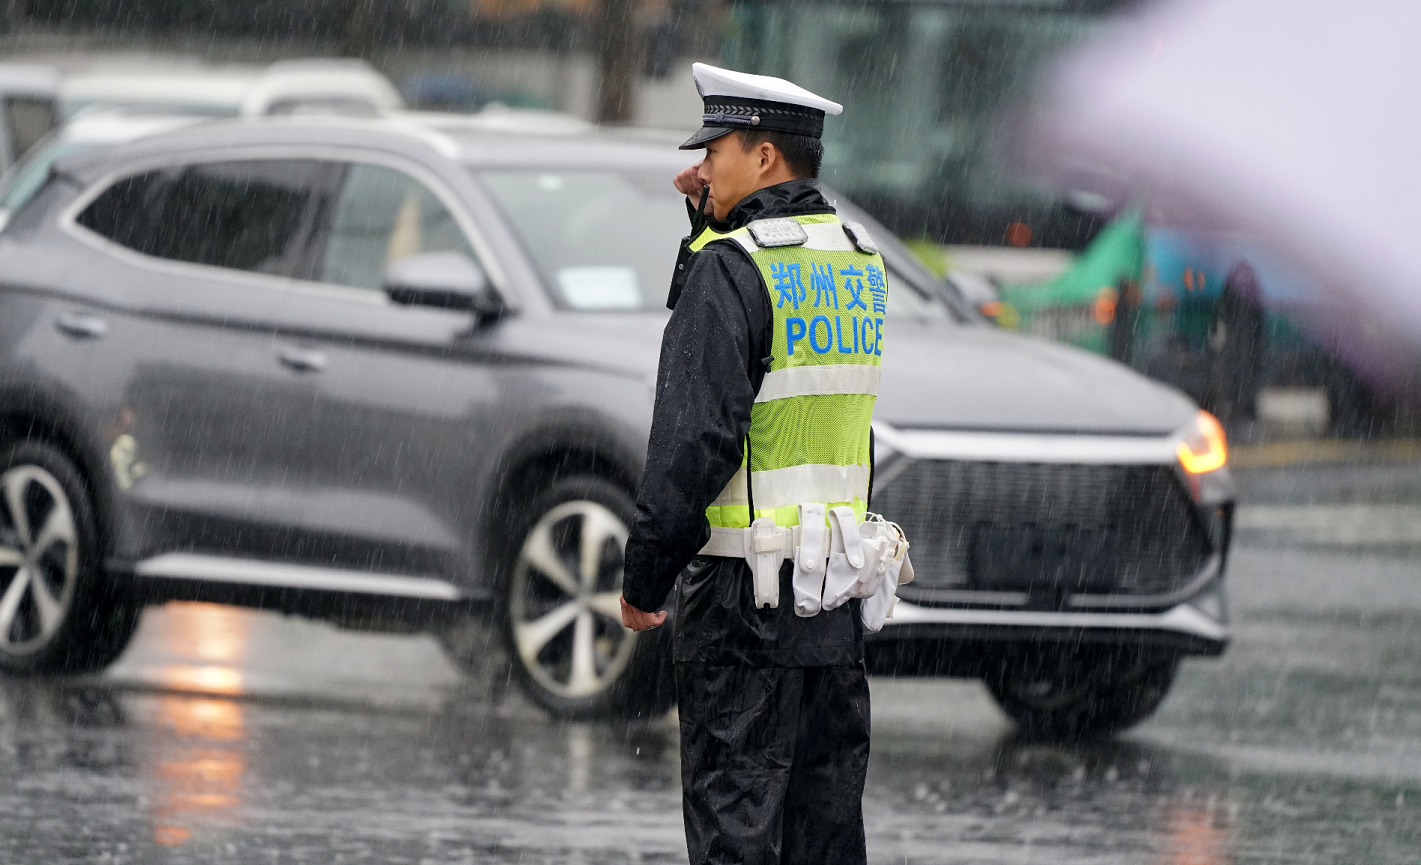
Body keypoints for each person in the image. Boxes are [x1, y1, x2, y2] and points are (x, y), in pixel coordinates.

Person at [620, 62, 889, 865]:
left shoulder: (733, 268)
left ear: (764, 157)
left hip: (740, 605)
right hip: (831, 596)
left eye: (715, 150)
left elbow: (696, 438)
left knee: (734, 824)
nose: (701, 167)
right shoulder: (854, 256)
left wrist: (644, 574)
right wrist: (704, 222)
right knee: (823, 828)